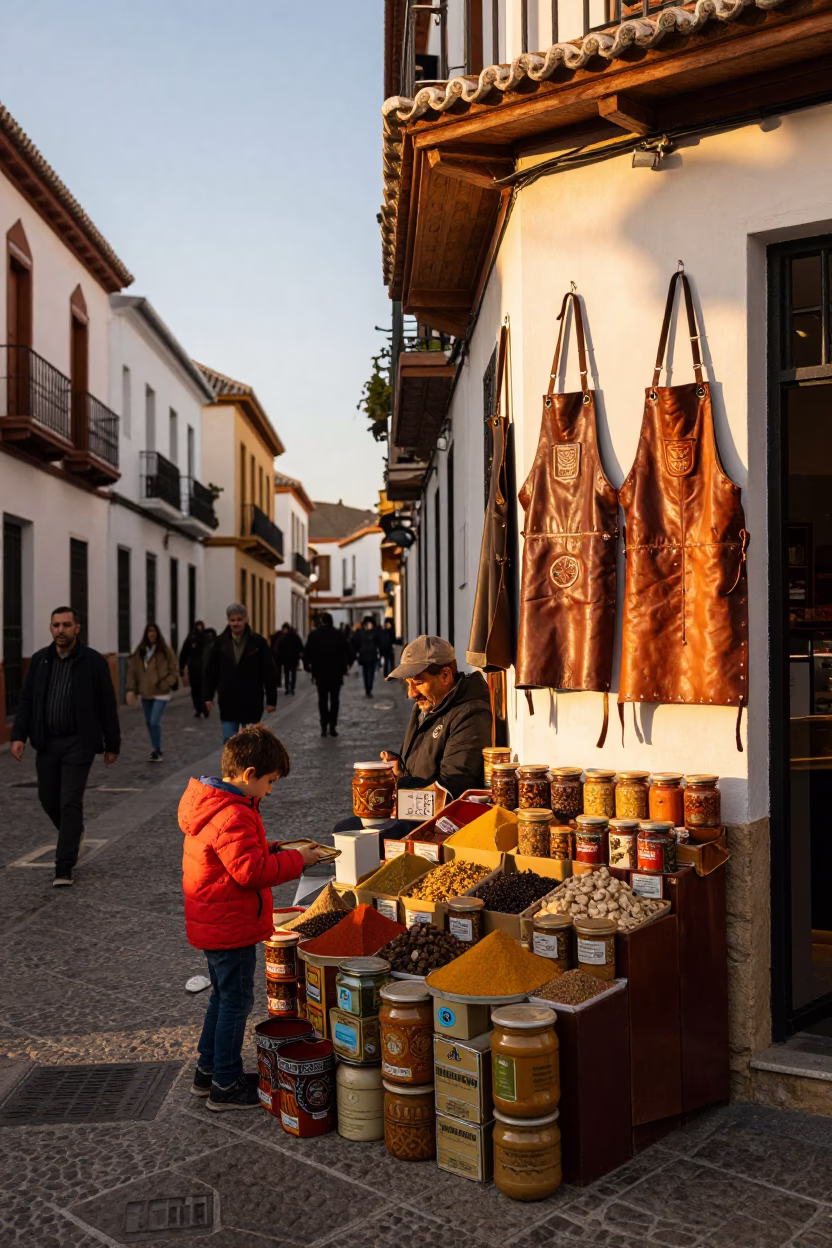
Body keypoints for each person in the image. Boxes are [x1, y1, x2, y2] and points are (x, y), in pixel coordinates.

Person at [179, 723, 330, 1110]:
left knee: (222, 997)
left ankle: (208, 1071)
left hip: (218, 922)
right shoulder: (234, 814)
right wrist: (299, 860)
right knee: (236, 1002)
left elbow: (241, 853)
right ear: (248, 775)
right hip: (232, 926)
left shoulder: (217, 804)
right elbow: (250, 871)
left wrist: (282, 846)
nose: (270, 790)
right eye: (269, 781)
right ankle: (225, 1085)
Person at [10, 606, 120, 886]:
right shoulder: (39, 661)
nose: (60, 630)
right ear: (51, 628)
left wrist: (112, 743)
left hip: (79, 742)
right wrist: (18, 736)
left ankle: (64, 865)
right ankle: (73, 834)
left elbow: (107, 705)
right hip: (47, 742)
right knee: (48, 798)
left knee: (70, 800)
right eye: (56, 625)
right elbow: (26, 701)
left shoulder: (93, 662)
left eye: (66, 625)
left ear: (77, 628)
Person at [382, 635, 491, 799]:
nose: (411, 694)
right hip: (413, 809)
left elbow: (452, 789)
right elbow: (420, 774)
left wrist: (395, 786)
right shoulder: (421, 708)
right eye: (407, 683)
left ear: (445, 675)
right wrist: (400, 772)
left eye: (418, 683)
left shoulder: (470, 714)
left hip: (440, 819)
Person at [204, 603, 278, 744]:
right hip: (228, 700)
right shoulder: (220, 643)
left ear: (246, 620)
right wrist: (208, 696)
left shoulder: (258, 643)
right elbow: (211, 671)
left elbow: (268, 672)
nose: (235, 623)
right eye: (232, 620)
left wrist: (271, 700)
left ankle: (248, 766)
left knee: (250, 742)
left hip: (251, 700)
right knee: (229, 740)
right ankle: (232, 766)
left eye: (239, 620)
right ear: (228, 621)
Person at [126, 623, 179, 762]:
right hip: (145, 692)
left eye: (154, 631)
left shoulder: (165, 651)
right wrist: (131, 689)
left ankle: (157, 749)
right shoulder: (140, 651)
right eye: (149, 631)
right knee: (149, 722)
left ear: (157, 633)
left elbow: (174, 669)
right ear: (146, 634)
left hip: (161, 692)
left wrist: (167, 683)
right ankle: (155, 748)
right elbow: (132, 671)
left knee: (154, 721)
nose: (152, 634)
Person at [303, 612, 350, 737]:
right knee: (334, 700)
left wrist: (307, 666)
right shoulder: (338, 635)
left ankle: (323, 725)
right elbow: (346, 652)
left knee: (322, 700)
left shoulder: (314, 636)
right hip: (336, 673)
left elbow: (307, 653)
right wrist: (346, 666)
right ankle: (332, 725)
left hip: (320, 673)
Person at [179, 621, 210, 718]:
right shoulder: (190, 640)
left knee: (204, 690)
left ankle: (204, 708)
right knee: (195, 690)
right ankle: (198, 708)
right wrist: (181, 667)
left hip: (205, 670)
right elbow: (184, 654)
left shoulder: (207, 639)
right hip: (193, 669)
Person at [271, 622, 304, 696]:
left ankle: (292, 687)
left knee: (293, 674)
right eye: (283, 629)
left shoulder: (294, 636)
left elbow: (300, 646)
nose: (284, 631)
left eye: (285, 629)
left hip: (293, 658)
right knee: (286, 674)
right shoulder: (281, 636)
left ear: (288, 629)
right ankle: (287, 688)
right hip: (286, 659)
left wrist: (300, 654)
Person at [356, 616, 381, 699]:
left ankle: (368, 689)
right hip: (368, 657)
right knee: (368, 674)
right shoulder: (370, 633)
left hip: (368, 657)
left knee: (368, 674)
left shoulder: (362, 633)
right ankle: (368, 689)